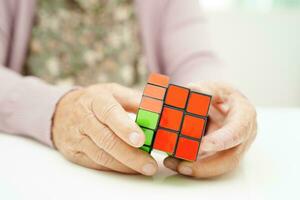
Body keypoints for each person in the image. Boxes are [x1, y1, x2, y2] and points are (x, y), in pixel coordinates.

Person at [0, 0, 257, 178]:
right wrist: (57, 110)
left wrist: (213, 101)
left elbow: (196, 60)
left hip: (148, 173)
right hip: (38, 168)